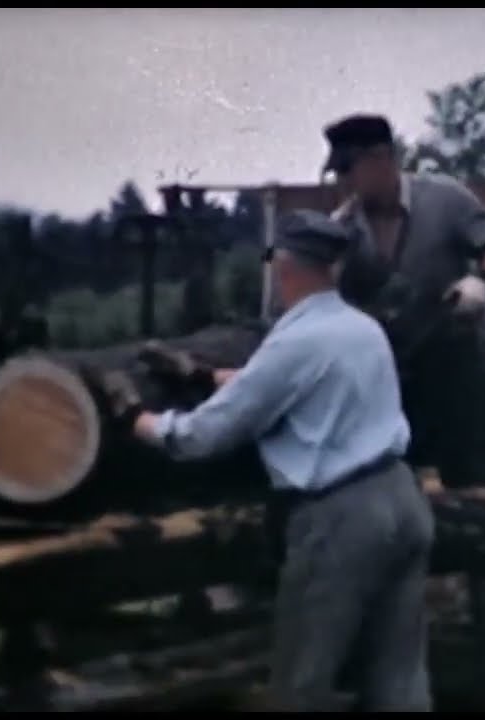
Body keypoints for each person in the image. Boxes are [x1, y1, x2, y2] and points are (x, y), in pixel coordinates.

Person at [96, 209, 436, 712]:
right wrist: (203, 374)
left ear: (284, 267)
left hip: (340, 519)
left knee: (303, 682)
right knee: (399, 681)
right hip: (403, 502)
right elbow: (295, 388)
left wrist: (134, 420)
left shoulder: (296, 340)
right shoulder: (361, 329)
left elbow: (201, 436)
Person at [322, 113, 485, 490]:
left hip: (448, 353)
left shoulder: (444, 198)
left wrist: (478, 281)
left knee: (468, 455)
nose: (343, 181)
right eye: (338, 171)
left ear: (381, 159)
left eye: (349, 168)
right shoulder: (343, 226)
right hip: (385, 363)